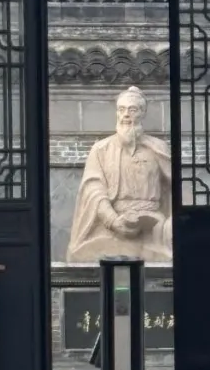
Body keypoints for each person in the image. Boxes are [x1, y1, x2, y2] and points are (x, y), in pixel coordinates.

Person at [66, 86, 172, 264]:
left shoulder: (158, 148)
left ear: (142, 113)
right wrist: (113, 221)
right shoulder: (101, 149)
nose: (126, 115)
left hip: (153, 226)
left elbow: (176, 190)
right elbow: (93, 192)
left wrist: (172, 222)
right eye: (121, 109)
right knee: (82, 254)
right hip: (112, 225)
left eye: (132, 110)